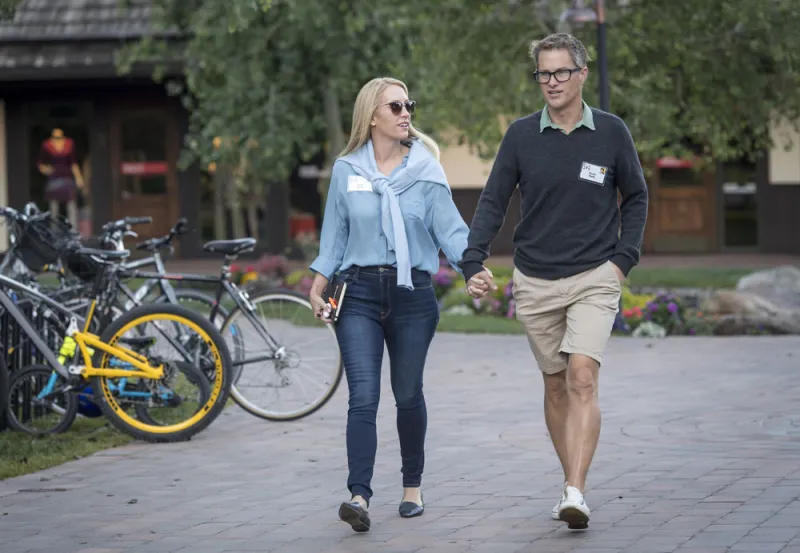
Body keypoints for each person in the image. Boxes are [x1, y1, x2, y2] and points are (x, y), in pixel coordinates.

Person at [461, 33, 648, 530]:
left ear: (582, 74)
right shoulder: (521, 135)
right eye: (543, 73)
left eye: (561, 72)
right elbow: (494, 200)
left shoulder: (611, 132)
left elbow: (636, 196)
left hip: (595, 275)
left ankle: (576, 491)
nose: (552, 82)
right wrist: (473, 259)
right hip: (536, 279)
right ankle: (570, 483)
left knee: (582, 376)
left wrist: (622, 260)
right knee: (555, 385)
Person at [308, 76, 473, 533]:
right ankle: (358, 495)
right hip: (357, 292)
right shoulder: (346, 170)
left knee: (407, 394)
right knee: (363, 397)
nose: (406, 113)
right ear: (372, 116)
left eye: (408, 105)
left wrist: (473, 268)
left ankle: (412, 487)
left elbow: (451, 230)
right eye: (395, 106)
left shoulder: (425, 169)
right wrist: (318, 285)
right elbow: (335, 236)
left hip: (412, 294)